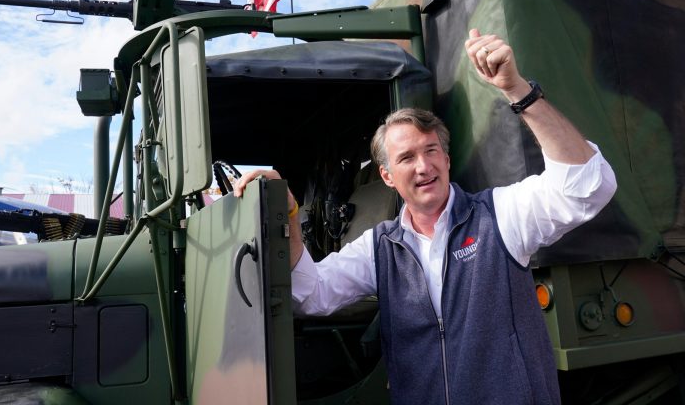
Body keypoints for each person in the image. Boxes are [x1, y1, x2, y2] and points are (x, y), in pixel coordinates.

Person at [233, 29, 617, 404]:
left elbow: (587, 186)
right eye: (406, 158)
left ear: (446, 160)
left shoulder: (499, 215)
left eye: (431, 151)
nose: (423, 166)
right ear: (387, 176)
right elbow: (311, 295)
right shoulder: (380, 248)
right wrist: (290, 214)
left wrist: (517, 89)